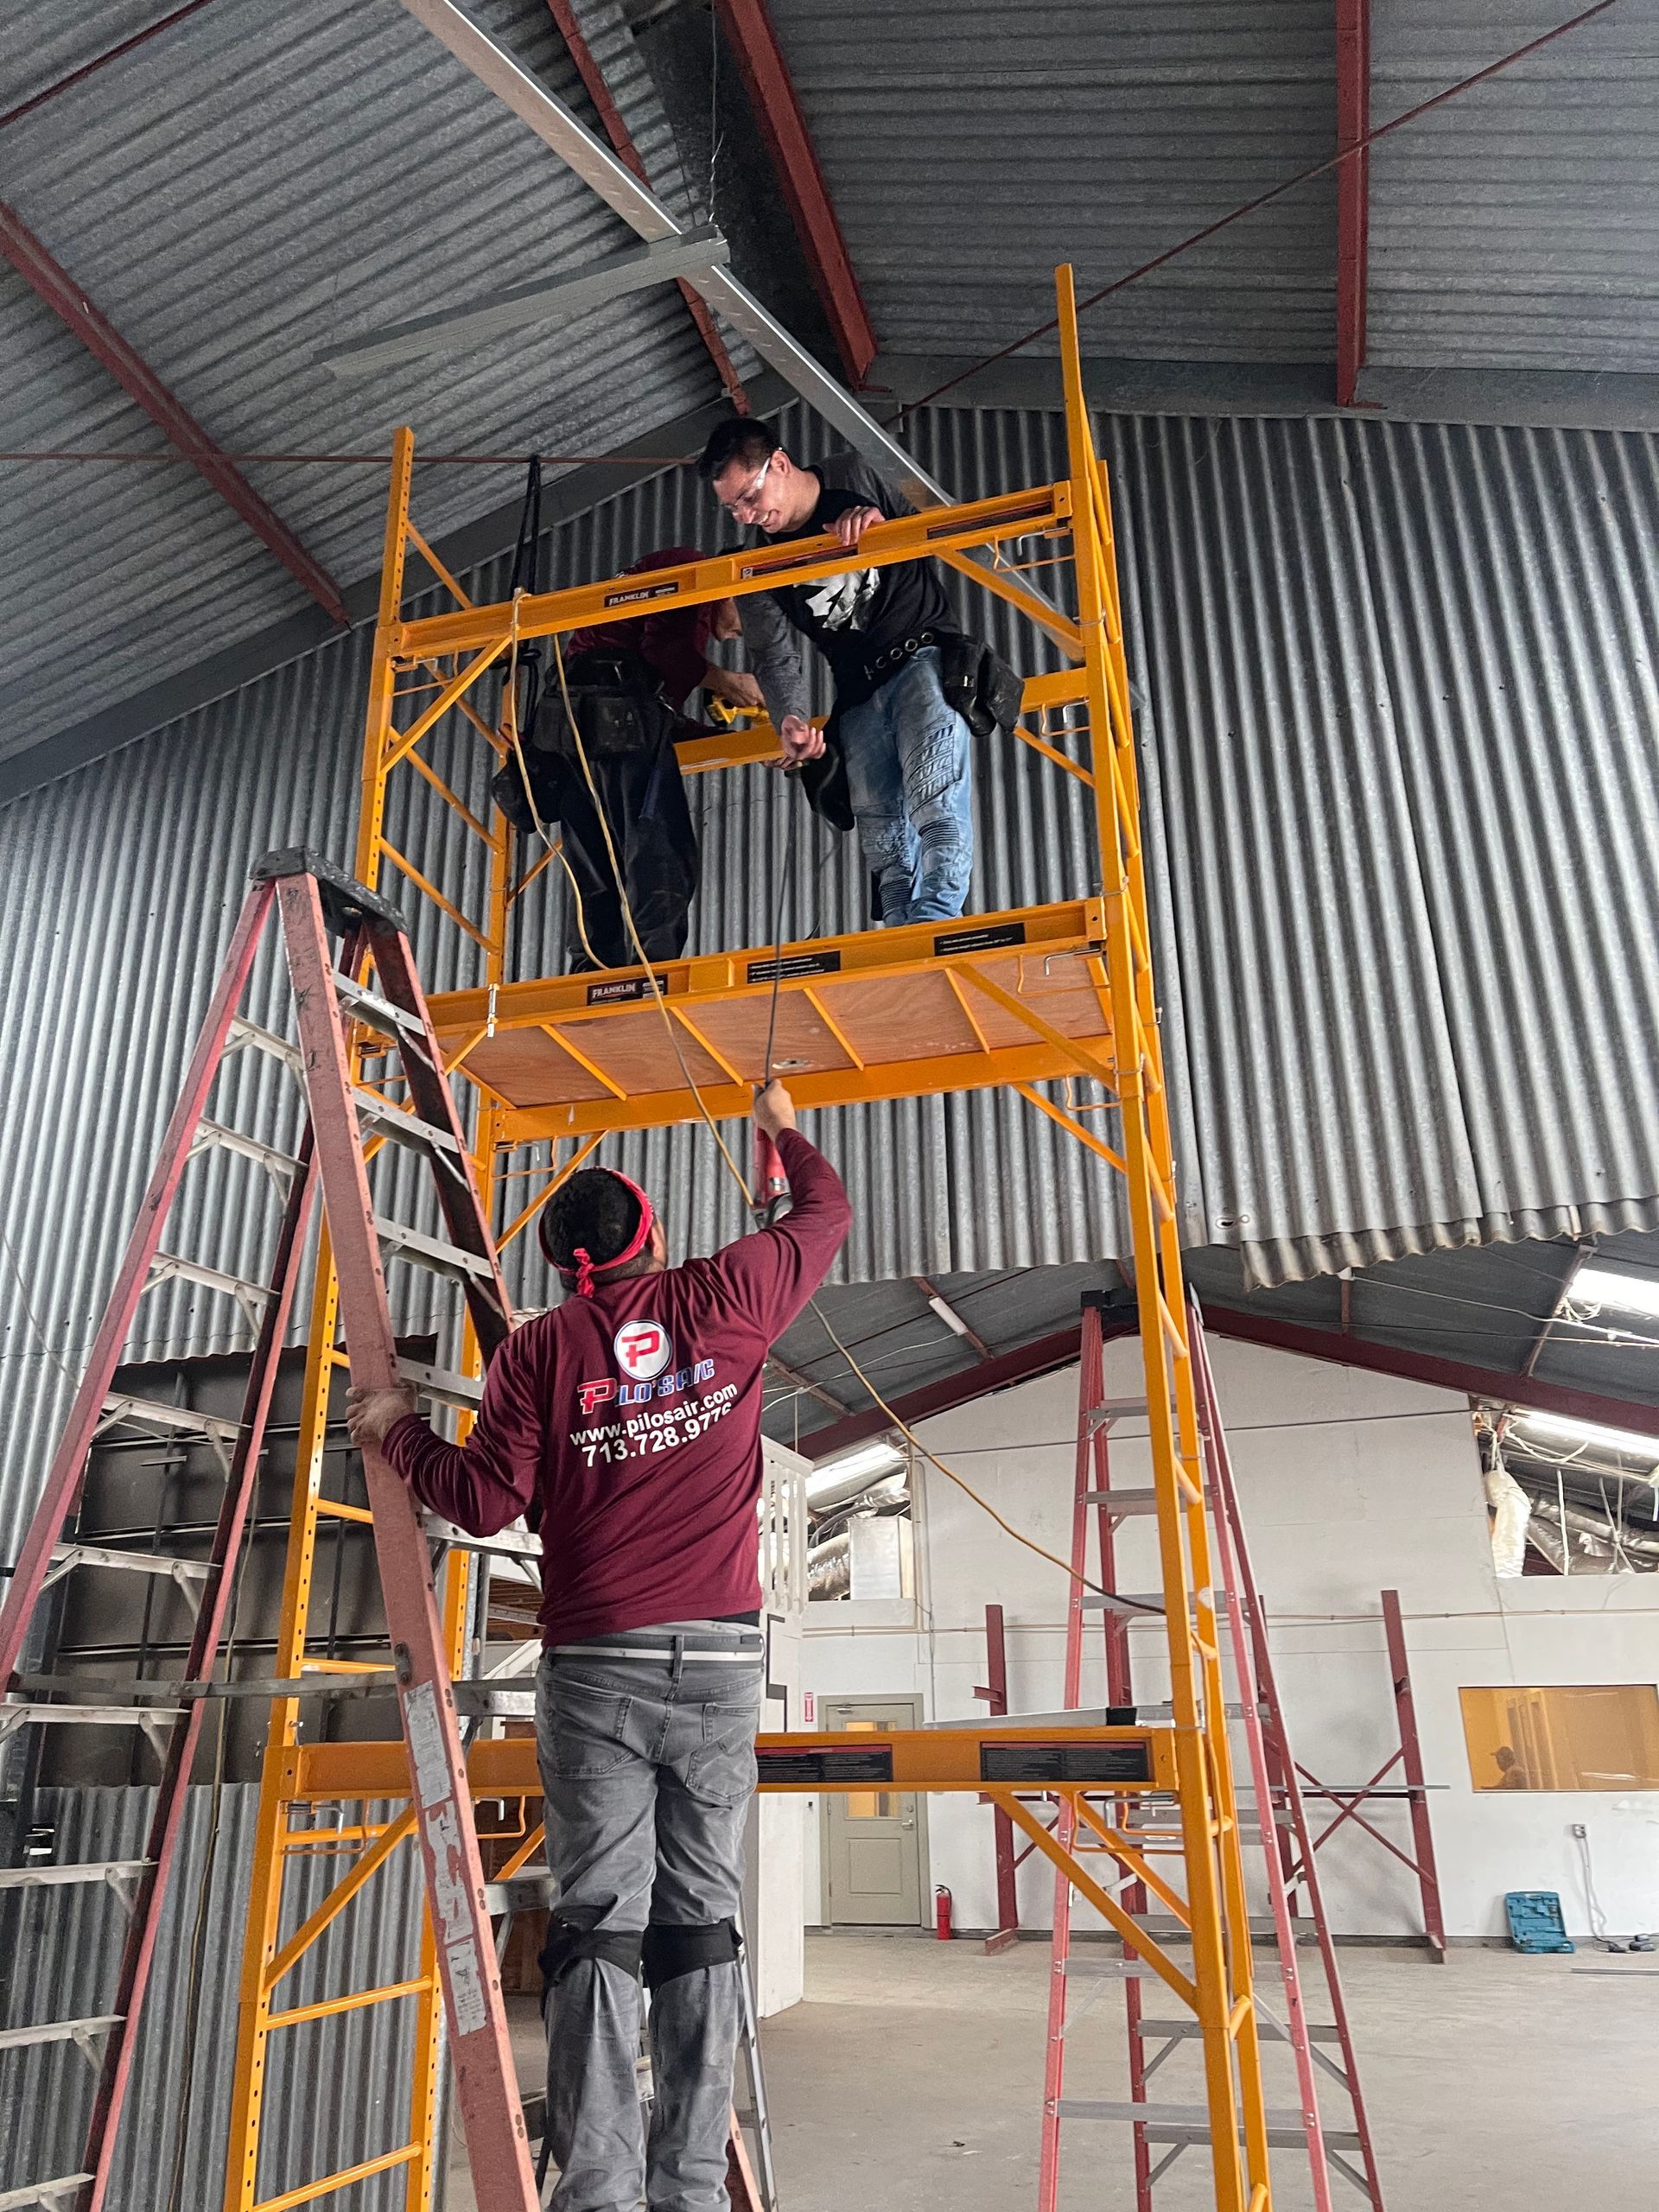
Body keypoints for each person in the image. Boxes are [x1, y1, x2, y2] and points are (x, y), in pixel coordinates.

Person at [345, 1079, 850, 2212]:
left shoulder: (535, 1355)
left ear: (564, 1264)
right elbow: (822, 1215)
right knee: (702, 1922)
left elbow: (480, 1503)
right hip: (719, 1664)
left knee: (598, 1926)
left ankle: (600, 2193)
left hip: (597, 1671)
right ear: (648, 1238)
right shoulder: (727, 1293)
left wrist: (398, 1433)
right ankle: (689, 2191)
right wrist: (777, 1128)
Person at [698, 417, 1011, 929]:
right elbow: (775, 657)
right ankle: (900, 931)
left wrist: (887, 528)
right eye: (733, 507)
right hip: (858, 692)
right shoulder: (757, 566)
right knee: (880, 830)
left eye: (750, 498)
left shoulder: (862, 475)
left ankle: (932, 922)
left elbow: (942, 524)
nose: (746, 517)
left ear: (779, 463)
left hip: (922, 659)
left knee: (935, 799)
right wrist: (792, 719)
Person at [494, 545, 764, 971]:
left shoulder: (625, 637)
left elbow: (659, 719)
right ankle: (650, 973)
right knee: (660, 854)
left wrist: (731, 739)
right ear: (736, 589)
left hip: (574, 728)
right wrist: (727, 681)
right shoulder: (691, 570)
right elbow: (665, 659)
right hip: (610, 717)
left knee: (594, 862)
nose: (739, 635)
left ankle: (592, 974)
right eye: (748, 622)